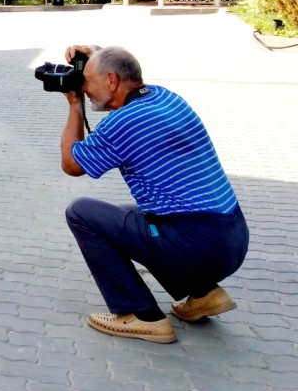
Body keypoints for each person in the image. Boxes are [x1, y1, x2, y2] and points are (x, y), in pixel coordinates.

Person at [59, 44, 248, 344]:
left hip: (197, 246)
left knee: (82, 213)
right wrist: (92, 52)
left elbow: (71, 164)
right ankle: (204, 293)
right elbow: (116, 63)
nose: (84, 87)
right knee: (130, 215)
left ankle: (142, 316)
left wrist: (74, 105)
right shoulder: (165, 97)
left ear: (111, 81)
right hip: (232, 240)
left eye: (88, 81)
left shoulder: (123, 123)